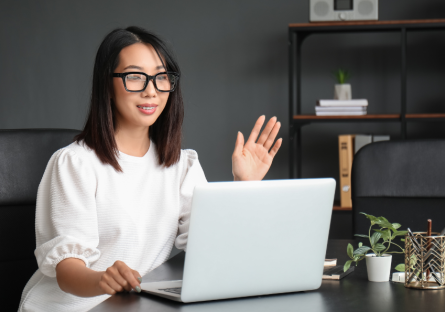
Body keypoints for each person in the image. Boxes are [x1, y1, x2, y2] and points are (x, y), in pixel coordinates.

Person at [19, 26, 282, 312]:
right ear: (107, 84)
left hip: (132, 306)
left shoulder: (182, 165)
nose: (151, 90)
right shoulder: (75, 164)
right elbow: (66, 272)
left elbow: (213, 249)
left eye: (161, 77)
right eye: (134, 76)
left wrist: (243, 186)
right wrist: (103, 279)